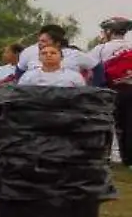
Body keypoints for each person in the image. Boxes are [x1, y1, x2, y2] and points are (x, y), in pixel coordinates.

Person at [91, 16, 132, 167]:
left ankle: (108, 156)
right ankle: (129, 160)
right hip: (130, 89)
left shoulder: (101, 48)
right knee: (129, 124)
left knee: (108, 124)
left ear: (109, 31)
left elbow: (89, 67)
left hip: (111, 91)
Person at [18, 43, 90, 87]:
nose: (48, 55)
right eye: (44, 53)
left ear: (61, 57)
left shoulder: (75, 77)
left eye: (53, 53)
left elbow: (82, 97)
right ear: (39, 58)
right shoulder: (28, 76)